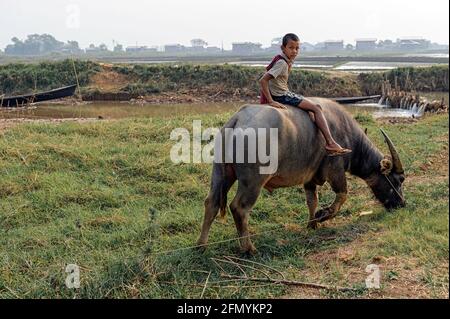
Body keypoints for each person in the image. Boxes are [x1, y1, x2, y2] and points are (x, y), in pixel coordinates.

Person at [259, 33, 352, 156]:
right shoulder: (282, 63)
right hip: (282, 95)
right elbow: (263, 80)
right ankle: (330, 142)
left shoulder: (283, 60)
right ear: (283, 48)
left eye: (297, 48)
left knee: (309, 109)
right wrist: (271, 101)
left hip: (283, 92)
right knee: (316, 108)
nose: (295, 51)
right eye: (291, 48)